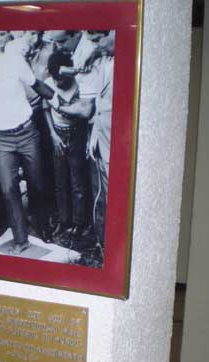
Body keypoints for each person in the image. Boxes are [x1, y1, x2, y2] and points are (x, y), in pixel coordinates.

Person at [0, 40, 54, 255]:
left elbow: (37, 85)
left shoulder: (14, 63)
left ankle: (42, 227)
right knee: (8, 189)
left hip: (27, 133)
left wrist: (59, 99)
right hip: (2, 140)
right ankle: (21, 239)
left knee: (37, 185)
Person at [43, 50, 94, 244]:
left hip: (77, 134)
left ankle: (79, 223)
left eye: (62, 80)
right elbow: (46, 109)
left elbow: (86, 113)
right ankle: (64, 221)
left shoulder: (80, 83)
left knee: (77, 182)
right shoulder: (48, 84)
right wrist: (53, 135)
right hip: (58, 135)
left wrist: (88, 138)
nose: (58, 83)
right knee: (60, 181)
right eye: (56, 80)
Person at [86, 30, 115, 249]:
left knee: (114, 194)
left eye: (98, 40)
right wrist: (94, 136)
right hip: (101, 138)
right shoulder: (104, 58)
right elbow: (99, 103)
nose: (97, 45)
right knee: (103, 192)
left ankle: (112, 243)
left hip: (116, 141)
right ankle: (103, 241)